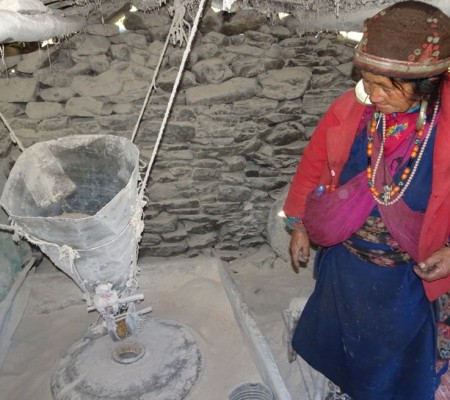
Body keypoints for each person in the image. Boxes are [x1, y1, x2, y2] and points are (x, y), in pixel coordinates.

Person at [282, 1, 450, 399]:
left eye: (384, 86)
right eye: (366, 80)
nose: (370, 94)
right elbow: (312, 167)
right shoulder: (351, 111)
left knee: (390, 358)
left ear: (426, 84)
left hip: (406, 275)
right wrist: (298, 224)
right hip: (346, 262)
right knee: (336, 336)